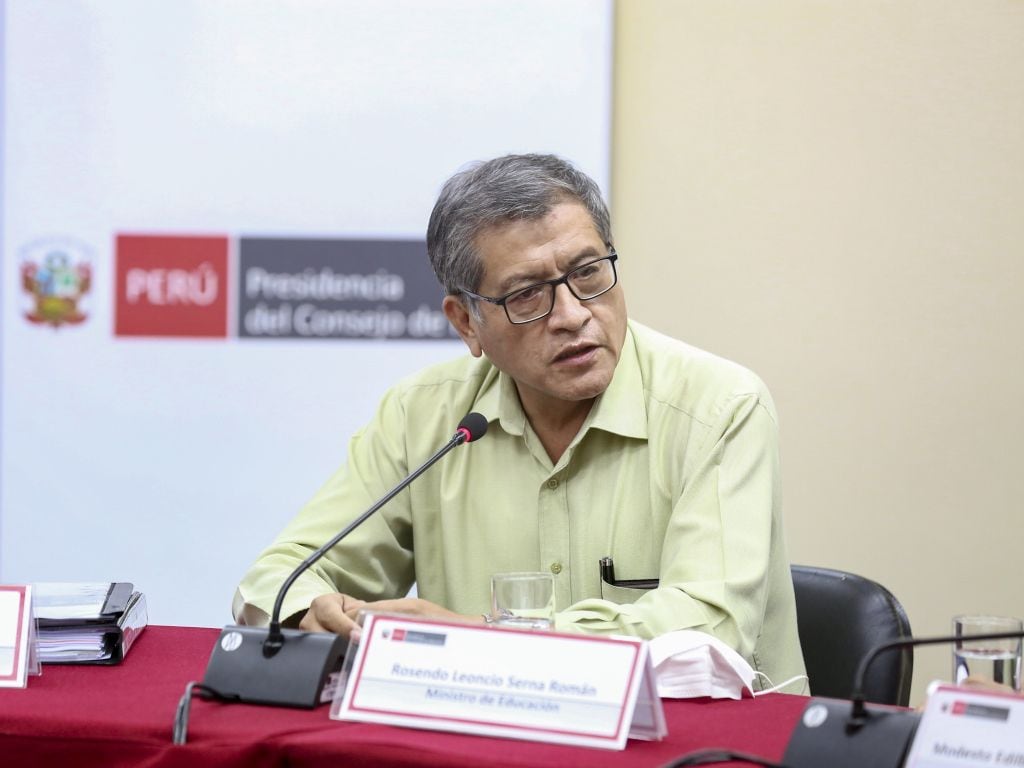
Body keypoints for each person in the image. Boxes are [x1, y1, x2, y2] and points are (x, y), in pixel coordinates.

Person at [233, 153, 806, 689]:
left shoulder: (719, 408)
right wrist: (313, 611)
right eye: (528, 295)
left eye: (588, 273)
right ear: (466, 323)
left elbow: (709, 633)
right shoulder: (423, 417)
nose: (574, 315)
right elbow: (280, 575)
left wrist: (479, 641)